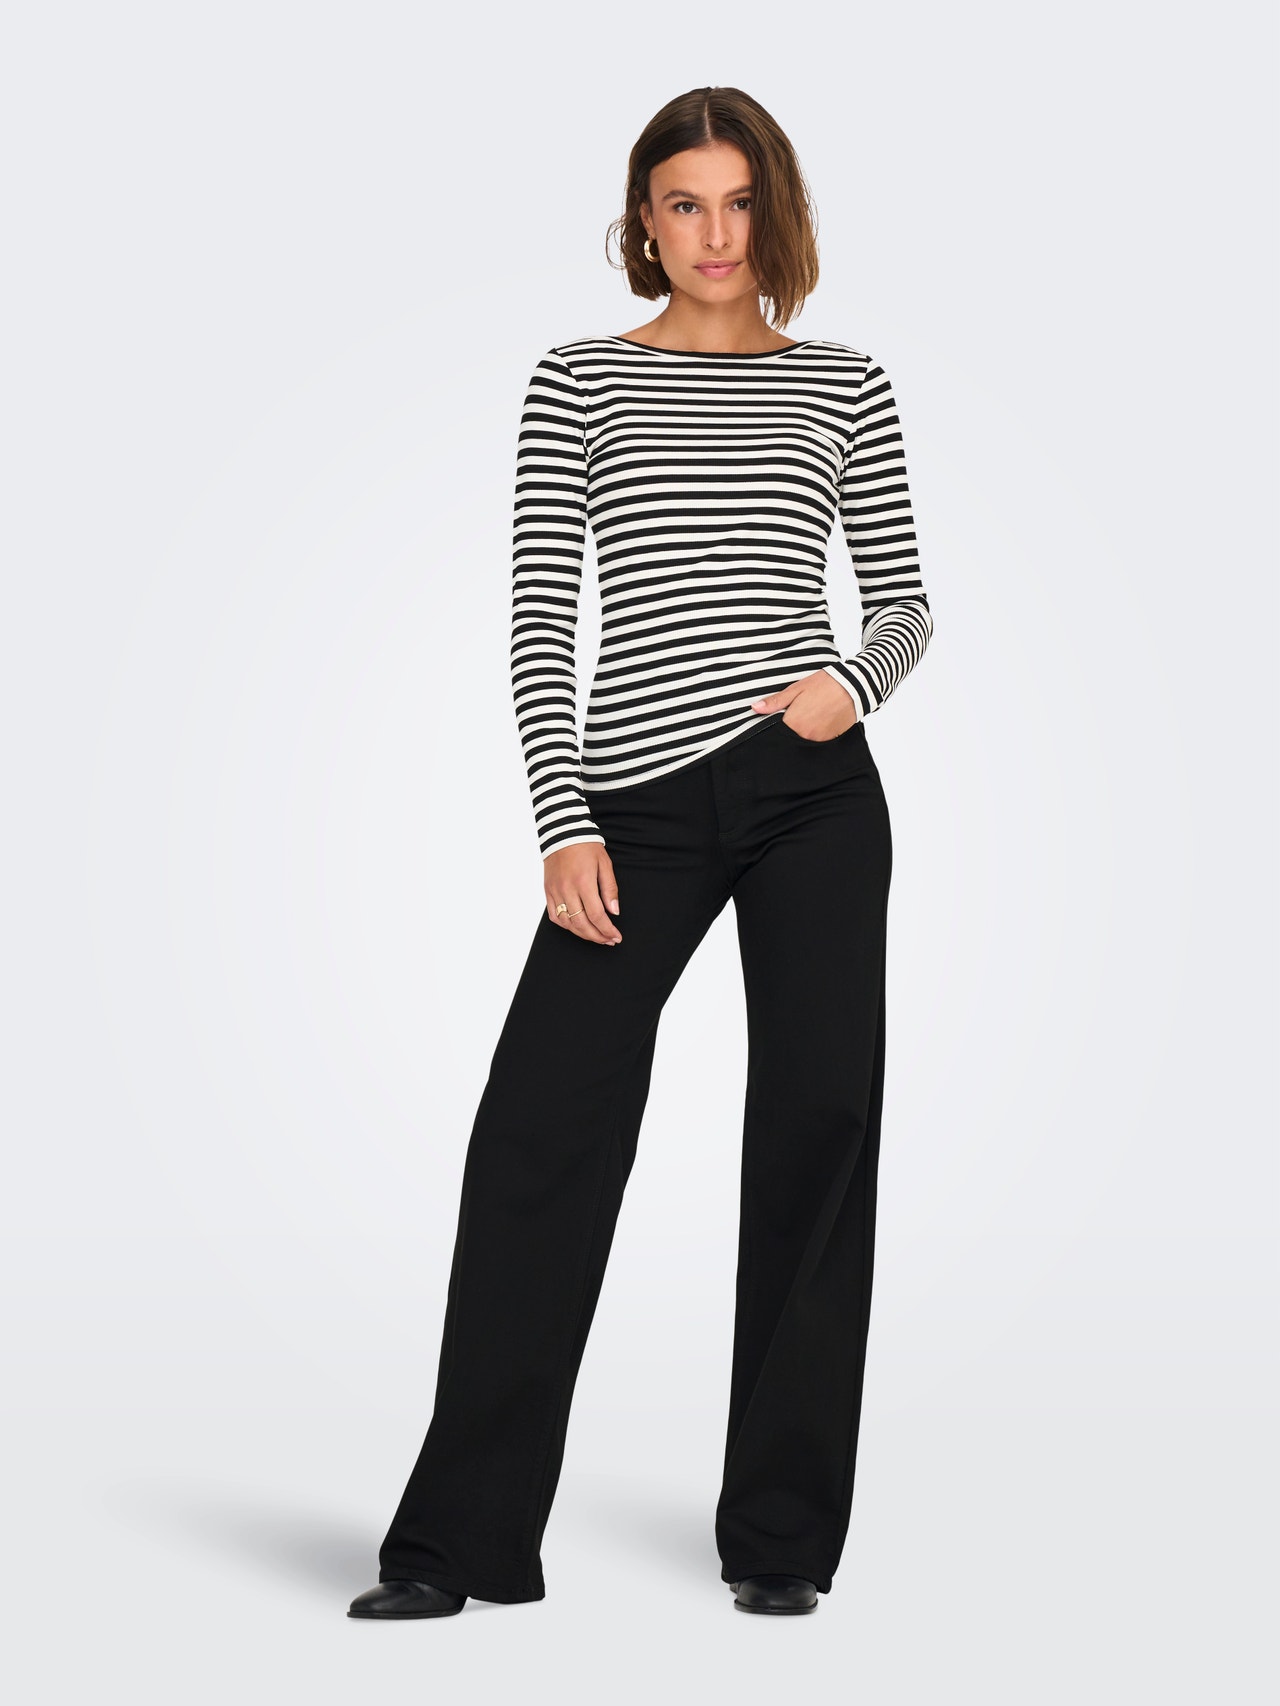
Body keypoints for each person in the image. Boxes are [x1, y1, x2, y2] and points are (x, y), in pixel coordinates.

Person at [348, 83, 933, 1622]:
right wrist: (563, 816)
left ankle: (782, 1537)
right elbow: (544, 615)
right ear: (644, 221)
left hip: (812, 790)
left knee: (818, 1129)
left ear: (774, 215)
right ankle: (457, 1541)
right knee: (540, 1134)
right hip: (638, 803)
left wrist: (848, 686)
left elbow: (904, 600)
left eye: (739, 203)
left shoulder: (845, 383)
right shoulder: (580, 382)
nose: (714, 234)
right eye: (685, 203)